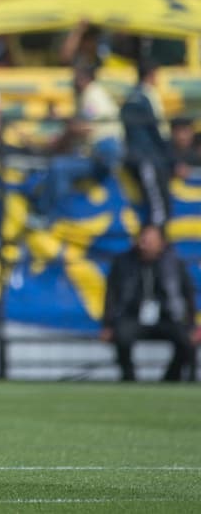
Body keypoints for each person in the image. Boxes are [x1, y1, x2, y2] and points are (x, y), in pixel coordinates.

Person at [27, 64, 123, 229]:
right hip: (98, 151)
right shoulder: (89, 96)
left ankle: (45, 215)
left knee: (59, 167)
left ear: (84, 78)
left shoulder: (92, 94)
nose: (73, 81)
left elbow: (84, 128)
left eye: (76, 77)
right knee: (61, 164)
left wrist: (60, 136)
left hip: (105, 152)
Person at [100, 225, 199, 382]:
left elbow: (188, 295)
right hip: (133, 316)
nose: (145, 244)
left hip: (166, 317)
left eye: (151, 240)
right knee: (122, 336)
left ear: (162, 243)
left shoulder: (173, 264)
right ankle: (129, 379)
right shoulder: (123, 262)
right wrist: (107, 325)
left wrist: (192, 326)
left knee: (185, 341)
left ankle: (171, 380)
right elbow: (111, 295)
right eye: (143, 239)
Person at [121, 60, 172, 233]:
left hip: (138, 156)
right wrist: (169, 155)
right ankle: (157, 240)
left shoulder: (130, 96)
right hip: (148, 157)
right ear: (152, 74)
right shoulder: (147, 96)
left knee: (152, 204)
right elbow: (158, 130)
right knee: (157, 206)